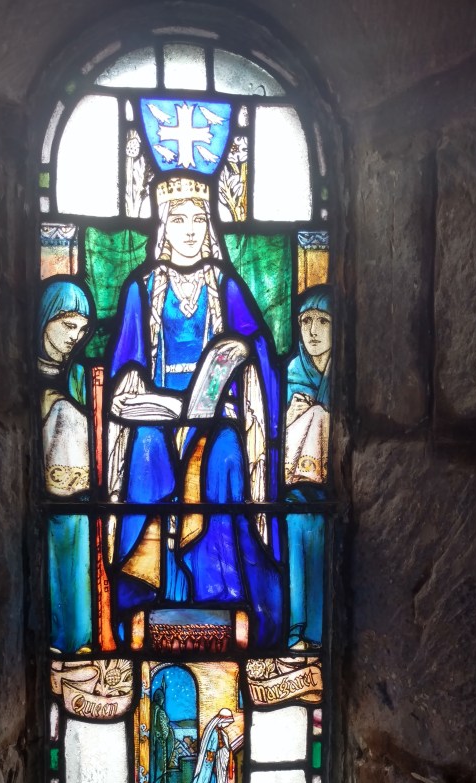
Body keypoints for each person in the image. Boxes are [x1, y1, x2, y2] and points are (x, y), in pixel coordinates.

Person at [106, 175, 283, 649]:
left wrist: (240, 364)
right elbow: (123, 369)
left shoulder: (226, 287)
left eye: (199, 219)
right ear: (162, 225)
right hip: (157, 421)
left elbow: (260, 354)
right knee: (144, 448)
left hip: (215, 419)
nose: (188, 229)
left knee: (225, 450)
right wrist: (136, 388)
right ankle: (151, 592)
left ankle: (218, 592)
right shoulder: (141, 291)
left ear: (210, 227)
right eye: (178, 219)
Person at [38, 280, 94, 654]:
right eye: (67, 325)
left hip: (80, 500)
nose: (75, 336)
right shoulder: (24, 371)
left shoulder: (81, 375)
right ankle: (57, 641)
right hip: (45, 500)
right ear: (44, 321)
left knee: (77, 567)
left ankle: (80, 640)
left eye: (81, 328)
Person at [284, 285, 332, 650]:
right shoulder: (289, 374)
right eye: (305, 321)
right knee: (294, 549)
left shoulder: (344, 376)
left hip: (331, 493)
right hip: (292, 494)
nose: (313, 331)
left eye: (323, 321)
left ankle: (318, 634)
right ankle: (294, 632)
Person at [172, 707, 235, 783]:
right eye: (226, 723)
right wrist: (215, 761)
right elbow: (210, 751)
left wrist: (225, 753)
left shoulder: (222, 734)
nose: (226, 725)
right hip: (210, 766)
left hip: (217, 765)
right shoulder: (213, 733)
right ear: (221, 720)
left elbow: (224, 748)